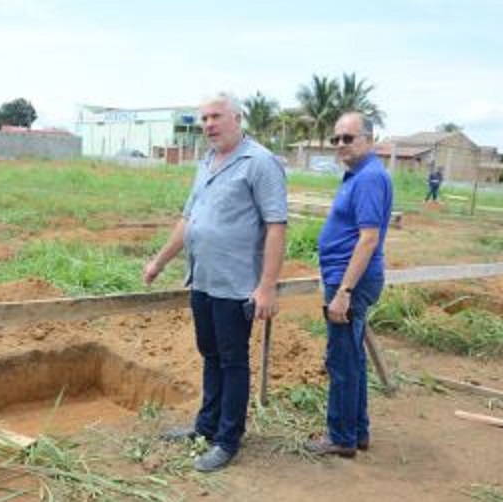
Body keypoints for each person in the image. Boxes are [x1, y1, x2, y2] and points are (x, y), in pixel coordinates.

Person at [143, 92, 287, 472]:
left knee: (233, 361)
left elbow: (276, 226)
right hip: (203, 281)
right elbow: (188, 220)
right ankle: (205, 427)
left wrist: (267, 286)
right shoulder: (206, 162)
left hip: (236, 284)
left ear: (237, 118)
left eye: (216, 116)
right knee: (210, 356)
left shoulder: (259, 162)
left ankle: (227, 439)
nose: (208, 124)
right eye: (204, 118)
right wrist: (159, 261)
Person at [304, 112, 393, 458]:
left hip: (350, 281)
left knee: (340, 360)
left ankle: (341, 437)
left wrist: (344, 291)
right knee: (352, 358)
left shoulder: (369, 178)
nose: (340, 144)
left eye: (349, 137)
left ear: (368, 140)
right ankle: (357, 432)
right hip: (348, 279)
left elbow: (368, 239)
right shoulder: (358, 175)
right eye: (336, 139)